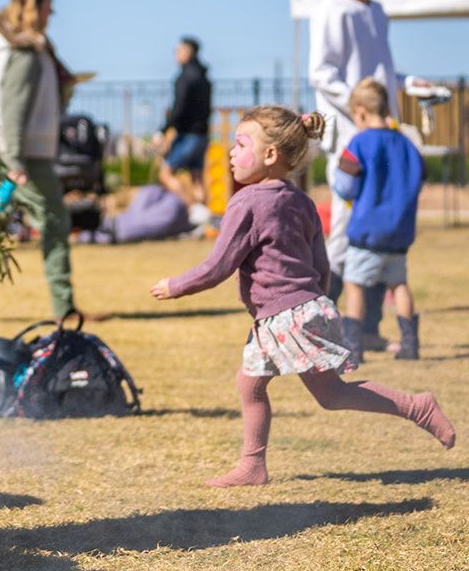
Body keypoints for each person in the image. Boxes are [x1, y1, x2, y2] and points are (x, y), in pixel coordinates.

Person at [151, 106, 453, 488]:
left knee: (301, 391)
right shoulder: (301, 200)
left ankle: (414, 407)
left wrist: (175, 286)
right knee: (272, 387)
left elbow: (217, 266)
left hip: (285, 316)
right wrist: (317, 305)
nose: (230, 152)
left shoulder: (246, 203)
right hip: (301, 310)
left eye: (240, 144)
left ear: (271, 155)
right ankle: (255, 465)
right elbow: (321, 264)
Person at [307, 0, 441, 341]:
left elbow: (382, 74)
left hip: (385, 136)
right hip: (352, 138)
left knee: (381, 230)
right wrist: (360, 111)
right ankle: (331, 325)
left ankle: (365, 327)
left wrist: (410, 84)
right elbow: (322, 74)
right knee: (349, 231)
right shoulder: (333, 9)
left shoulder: (377, 12)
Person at [0, 0, 78, 319]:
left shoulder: (14, 45)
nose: (53, 11)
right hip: (22, 154)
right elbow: (13, 108)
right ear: (36, 7)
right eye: (48, 5)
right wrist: (14, 161)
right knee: (55, 222)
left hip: (0, 149)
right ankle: (65, 308)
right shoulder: (26, 53)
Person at [331, 79, 425, 362]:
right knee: (399, 284)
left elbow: (346, 186)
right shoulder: (408, 143)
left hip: (367, 231)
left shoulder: (359, 143)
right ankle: (410, 344)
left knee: (355, 284)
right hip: (400, 231)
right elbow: (419, 178)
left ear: (359, 112)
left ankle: (354, 346)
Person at [154, 36, 212, 221]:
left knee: (166, 174)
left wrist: (163, 131)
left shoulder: (184, 77)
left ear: (187, 52)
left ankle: (194, 208)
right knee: (197, 177)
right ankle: (204, 220)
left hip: (188, 135)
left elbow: (178, 107)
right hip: (203, 134)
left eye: (178, 51)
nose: (175, 55)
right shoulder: (204, 77)